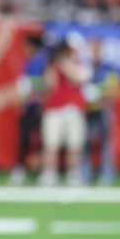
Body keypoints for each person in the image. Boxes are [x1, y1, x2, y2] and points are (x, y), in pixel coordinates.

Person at [39, 39, 90, 187]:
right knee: (51, 144)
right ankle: (49, 174)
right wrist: (53, 66)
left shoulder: (78, 64)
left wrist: (66, 64)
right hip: (55, 108)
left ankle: (73, 175)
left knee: (74, 145)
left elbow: (79, 78)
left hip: (74, 109)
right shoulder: (52, 65)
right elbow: (50, 85)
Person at [8, 33, 47, 185]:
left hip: (38, 107)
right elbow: (23, 85)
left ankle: (42, 169)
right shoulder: (26, 62)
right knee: (24, 139)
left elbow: (44, 84)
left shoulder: (42, 62)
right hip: (28, 106)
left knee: (42, 140)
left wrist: (37, 100)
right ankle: (20, 169)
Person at [81, 38, 120, 185]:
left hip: (104, 108)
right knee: (85, 142)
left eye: (97, 49)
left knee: (106, 143)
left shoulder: (109, 68)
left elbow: (113, 87)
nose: (94, 53)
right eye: (92, 49)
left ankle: (107, 174)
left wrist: (101, 97)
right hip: (87, 110)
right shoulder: (85, 67)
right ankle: (85, 173)